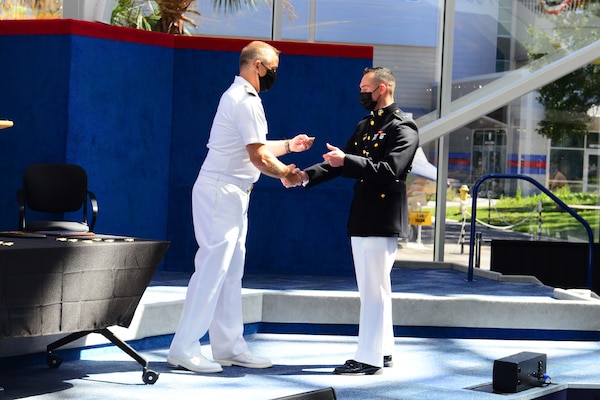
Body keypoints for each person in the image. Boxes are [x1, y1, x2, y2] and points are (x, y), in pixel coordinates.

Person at [167, 40, 314, 374]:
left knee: (230, 272)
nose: (275, 74)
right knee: (212, 269)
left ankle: (229, 346)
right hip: (222, 191)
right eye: (273, 68)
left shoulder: (241, 97)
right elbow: (259, 156)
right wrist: (287, 173)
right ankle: (184, 346)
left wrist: (290, 146)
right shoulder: (244, 100)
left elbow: (256, 146)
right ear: (257, 66)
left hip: (233, 192)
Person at [287, 67, 419, 375]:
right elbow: (340, 161)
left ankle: (368, 357)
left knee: (373, 289)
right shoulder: (366, 125)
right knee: (375, 288)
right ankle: (383, 349)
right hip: (363, 214)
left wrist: (348, 161)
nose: (361, 93)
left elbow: (391, 169)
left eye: (365, 87)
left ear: (382, 88)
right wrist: (307, 176)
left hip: (382, 216)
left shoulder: (403, 126)